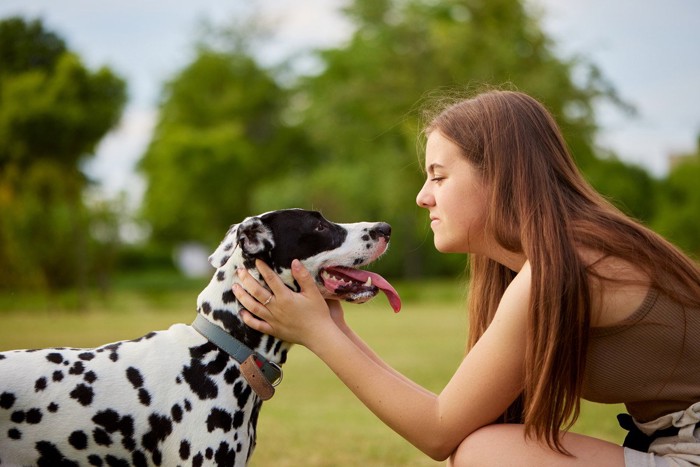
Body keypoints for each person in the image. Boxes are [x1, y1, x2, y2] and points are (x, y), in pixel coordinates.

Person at [232, 90, 700, 466]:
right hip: (667, 447)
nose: (422, 197)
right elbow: (452, 415)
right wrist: (332, 328)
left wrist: (317, 333)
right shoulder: (558, 255)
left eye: (438, 177)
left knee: (485, 454)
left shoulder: (568, 267)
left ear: (499, 176)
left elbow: (438, 430)